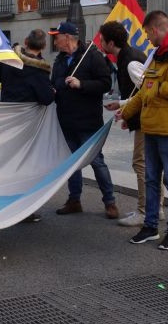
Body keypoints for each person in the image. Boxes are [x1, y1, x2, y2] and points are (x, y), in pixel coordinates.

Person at [117, 11, 168, 250]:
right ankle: (151, 226)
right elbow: (144, 90)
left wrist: (161, 88)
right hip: (152, 127)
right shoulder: (157, 54)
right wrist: (126, 112)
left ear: (155, 29)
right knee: (152, 179)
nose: (146, 38)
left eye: (146, 33)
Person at [49, 21, 118, 219]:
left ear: (68, 38)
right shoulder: (60, 60)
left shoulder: (92, 56)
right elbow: (56, 82)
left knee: (97, 162)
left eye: (57, 36)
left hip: (88, 121)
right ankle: (74, 200)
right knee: (71, 164)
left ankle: (110, 202)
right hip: (66, 120)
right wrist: (54, 89)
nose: (55, 41)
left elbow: (105, 83)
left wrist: (82, 84)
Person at [100, 21, 165, 226]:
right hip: (145, 118)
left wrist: (126, 109)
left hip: (149, 120)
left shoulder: (130, 62)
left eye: (102, 40)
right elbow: (141, 94)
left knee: (141, 164)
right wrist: (122, 106)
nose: (100, 43)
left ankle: (145, 211)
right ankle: (157, 209)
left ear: (110, 43)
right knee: (149, 165)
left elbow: (149, 93)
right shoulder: (126, 58)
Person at [0, 29, 54, 222]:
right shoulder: (40, 69)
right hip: (27, 124)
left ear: (25, 41)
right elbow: (47, 99)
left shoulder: (10, 59)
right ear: (43, 46)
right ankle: (22, 209)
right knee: (25, 165)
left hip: (6, 119)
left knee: (8, 163)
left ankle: (2, 200)